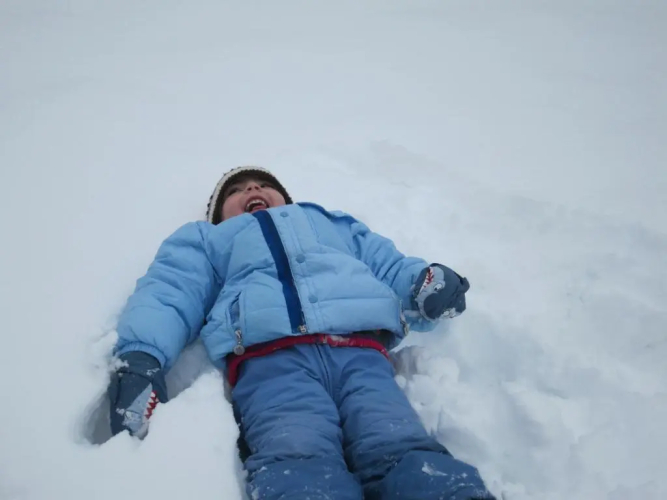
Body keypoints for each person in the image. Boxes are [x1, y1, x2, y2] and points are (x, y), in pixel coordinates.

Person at [108, 166, 496, 500]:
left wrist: (424, 284)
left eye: (264, 184)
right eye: (236, 190)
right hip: (271, 363)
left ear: (285, 198)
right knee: (296, 452)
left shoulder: (331, 223)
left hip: (361, 354)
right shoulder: (211, 240)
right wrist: (143, 356)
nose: (252, 189)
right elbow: (172, 290)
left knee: (396, 441)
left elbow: (388, 264)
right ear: (218, 215)